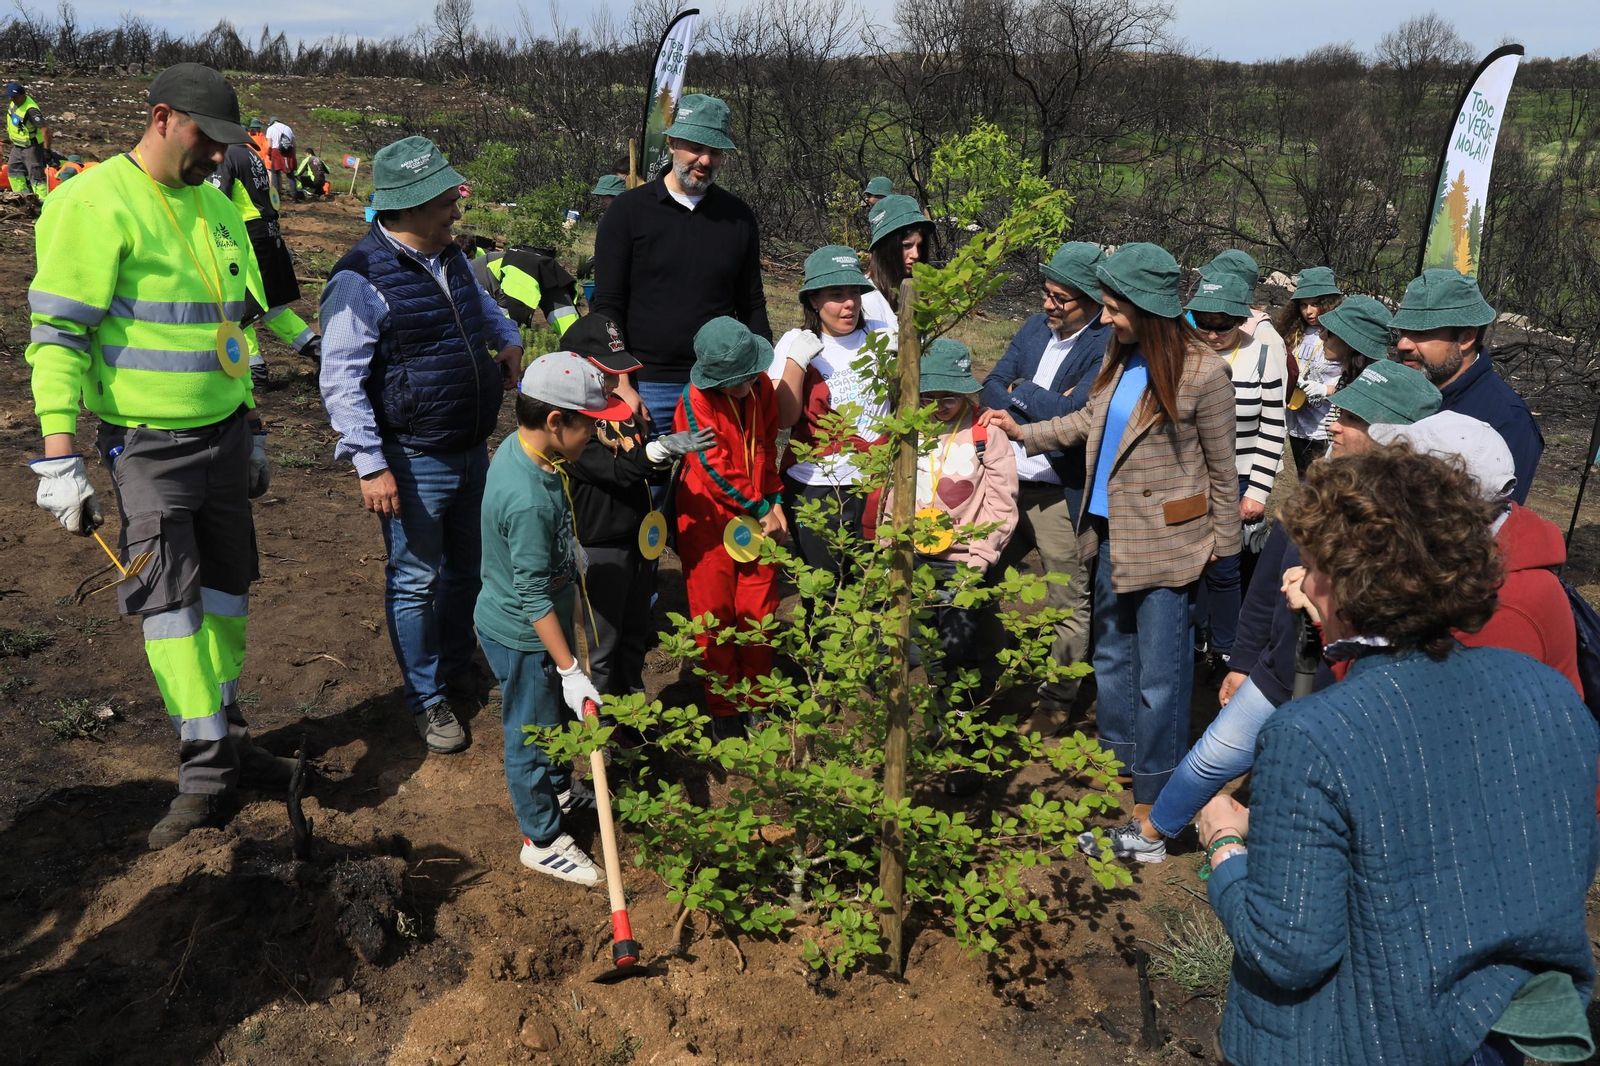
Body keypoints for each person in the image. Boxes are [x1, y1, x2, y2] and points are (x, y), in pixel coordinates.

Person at [1197, 446, 1598, 1066]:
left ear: (1341, 582)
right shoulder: (1546, 691)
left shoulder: (1312, 734)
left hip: (1370, 1037)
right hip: (1501, 1022)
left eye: (1314, 567)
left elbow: (1289, 948)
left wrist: (1227, 847)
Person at [26, 62, 287, 849]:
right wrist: (58, 456)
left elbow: (232, 330)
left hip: (224, 436)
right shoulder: (92, 202)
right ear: (165, 118)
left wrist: (255, 425)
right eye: (210, 141)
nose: (220, 157)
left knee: (229, 594)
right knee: (170, 606)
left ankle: (229, 729)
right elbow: (59, 337)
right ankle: (205, 766)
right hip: (146, 447)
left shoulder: (217, 208)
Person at [1095, 359, 1441, 863]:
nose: (1335, 424)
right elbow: (1262, 593)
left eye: (1353, 419)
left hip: (1344, 694)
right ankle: (1153, 833)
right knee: (1211, 756)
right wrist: (1241, 662)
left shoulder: (1417, 531)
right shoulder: (1315, 493)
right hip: (1277, 673)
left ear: (1394, 436)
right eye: (1340, 411)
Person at [984, 242, 1241, 817]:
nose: (1104, 319)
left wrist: (1224, 561)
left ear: (1146, 309)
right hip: (1107, 530)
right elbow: (1086, 419)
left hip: (1168, 544)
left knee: (1161, 676)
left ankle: (1156, 790)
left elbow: (1224, 473)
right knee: (1114, 660)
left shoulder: (1204, 373)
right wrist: (1024, 433)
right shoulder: (1120, 358)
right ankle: (1116, 759)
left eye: (1114, 309)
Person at [319, 136, 524, 755]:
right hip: (410, 459)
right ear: (406, 208)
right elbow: (341, 380)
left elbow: (483, 310)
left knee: (470, 568)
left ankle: (459, 662)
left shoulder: (452, 258)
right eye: (444, 202)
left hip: (470, 446)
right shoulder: (359, 279)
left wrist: (509, 337)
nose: (456, 211)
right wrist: (370, 463)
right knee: (416, 579)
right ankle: (427, 697)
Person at [476, 352, 632, 885]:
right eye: (590, 423)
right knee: (531, 731)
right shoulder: (526, 497)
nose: (595, 433)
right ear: (555, 422)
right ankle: (540, 837)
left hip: (547, 623)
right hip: (524, 633)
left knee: (554, 724)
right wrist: (568, 668)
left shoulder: (532, 456)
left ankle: (560, 788)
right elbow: (531, 595)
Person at [979, 241, 1111, 727]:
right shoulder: (1036, 327)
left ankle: (1057, 700)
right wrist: (1036, 397)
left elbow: (1078, 417)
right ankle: (986, 671)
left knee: (1067, 598)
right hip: (1007, 481)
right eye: (1047, 293)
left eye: (1062, 298)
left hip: (1061, 489)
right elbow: (991, 383)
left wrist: (1022, 392)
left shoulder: (1105, 344)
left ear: (1093, 299)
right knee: (981, 573)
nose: (1049, 305)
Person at [590, 93, 770, 433]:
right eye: (695, 148)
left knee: (712, 485)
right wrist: (621, 382)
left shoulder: (738, 217)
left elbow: (751, 304)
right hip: (647, 383)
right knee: (648, 485)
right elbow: (607, 305)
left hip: (720, 383)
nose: (704, 160)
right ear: (672, 142)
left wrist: (760, 374)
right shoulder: (628, 212)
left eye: (715, 152)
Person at [1370, 411, 1581, 696]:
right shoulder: (1462, 559)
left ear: (1445, 498)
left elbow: (1420, 709)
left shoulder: (1504, 607)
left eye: (1402, 475)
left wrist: (1327, 624)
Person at [561, 315, 713, 701]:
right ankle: (600, 726)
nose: (614, 382)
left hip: (637, 540)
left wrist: (655, 449)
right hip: (600, 546)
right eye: (605, 373)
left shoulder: (619, 409)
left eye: (618, 373)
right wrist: (659, 450)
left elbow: (635, 458)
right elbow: (613, 470)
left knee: (634, 634)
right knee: (603, 642)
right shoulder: (571, 422)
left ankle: (631, 713)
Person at [673, 317, 787, 739]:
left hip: (757, 516)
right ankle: (724, 706)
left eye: (747, 376)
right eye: (733, 381)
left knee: (759, 610)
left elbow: (768, 446)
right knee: (715, 613)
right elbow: (711, 468)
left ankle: (759, 702)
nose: (744, 387)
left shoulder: (762, 388)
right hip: (707, 521)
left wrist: (774, 498)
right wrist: (762, 507)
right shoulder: (695, 400)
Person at [889, 338, 1018, 687]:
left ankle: (959, 718)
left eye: (949, 397)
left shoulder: (985, 433)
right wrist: (889, 538)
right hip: (914, 554)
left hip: (962, 560)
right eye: (928, 398)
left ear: (966, 394)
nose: (938, 406)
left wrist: (982, 555)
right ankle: (937, 703)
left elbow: (1002, 503)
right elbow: (894, 490)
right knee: (926, 639)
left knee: (958, 643)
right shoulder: (910, 429)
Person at [769, 245, 894, 576]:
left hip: (876, 482)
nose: (849, 303)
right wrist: (796, 362)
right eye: (836, 294)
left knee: (871, 586)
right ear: (813, 299)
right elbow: (784, 419)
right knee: (823, 590)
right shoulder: (795, 341)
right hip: (816, 485)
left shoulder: (882, 335)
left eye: (855, 292)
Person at [1185, 273, 1287, 675]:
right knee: (1191, 561)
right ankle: (1194, 637)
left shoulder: (1262, 355)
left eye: (1222, 325)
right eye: (1202, 323)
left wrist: (1258, 490)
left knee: (1226, 565)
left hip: (1239, 477)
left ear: (1241, 320)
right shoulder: (1183, 351)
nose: (1211, 334)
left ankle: (1226, 648)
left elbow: (1273, 428)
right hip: (1190, 477)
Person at [1393, 267, 1543, 503]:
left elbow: (1499, 521)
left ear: (1465, 338)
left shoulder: (1509, 419)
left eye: (1420, 332)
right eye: (1402, 331)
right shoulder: (1399, 390)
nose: (1403, 344)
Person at [208, 137, 319, 387]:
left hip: (244, 238)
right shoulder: (249, 154)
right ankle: (316, 348)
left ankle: (253, 370)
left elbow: (216, 200)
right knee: (270, 304)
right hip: (266, 233)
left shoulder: (224, 156)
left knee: (240, 306)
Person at [1275, 267, 1344, 476]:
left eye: (1316, 304)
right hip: (1296, 420)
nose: (1309, 311)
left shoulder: (1342, 334)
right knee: (1304, 481)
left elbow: (1355, 379)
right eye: (1304, 305)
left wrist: (1325, 389)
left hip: (1326, 425)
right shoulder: (1293, 330)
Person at [471, 244, 579, 339]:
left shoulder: (469, 277)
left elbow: (489, 309)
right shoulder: (479, 264)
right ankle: (582, 346)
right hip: (546, 265)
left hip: (519, 270)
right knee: (566, 318)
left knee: (508, 328)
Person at [862, 193, 933, 330]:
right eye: (906, 246)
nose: (915, 255)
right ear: (885, 247)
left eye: (919, 246)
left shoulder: (909, 288)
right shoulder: (867, 299)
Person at [6, 80, 50, 198]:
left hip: (31, 147)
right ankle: (22, 197)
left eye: (15, 97)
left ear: (22, 95)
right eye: (11, 97)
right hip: (18, 146)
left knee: (36, 175)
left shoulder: (31, 110)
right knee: (14, 171)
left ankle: (41, 201)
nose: (12, 99)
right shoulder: (15, 103)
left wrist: (46, 150)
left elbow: (45, 129)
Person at [264, 114, 295, 201]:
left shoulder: (270, 129)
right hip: (289, 152)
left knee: (275, 173)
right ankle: (294, 197)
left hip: (276, 151)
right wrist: (293, 155)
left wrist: (269, 154)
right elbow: (294, 143)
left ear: (271, 123)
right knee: (290, 174)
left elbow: (269, 146)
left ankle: (277, 195)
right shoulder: (288, 128)